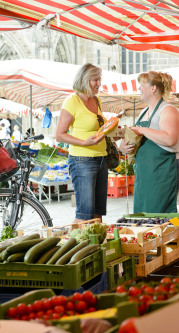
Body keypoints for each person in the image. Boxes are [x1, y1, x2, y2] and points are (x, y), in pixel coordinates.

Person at [119, 71, 179, 213]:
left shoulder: (168, 110)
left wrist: (143, 130)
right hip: (145, 172)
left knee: (160, 213)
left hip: (164, 169)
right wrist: (124, 147)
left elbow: (170, 139)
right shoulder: (144, 112)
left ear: (153, 89)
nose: (139, 88)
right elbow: (138, 138)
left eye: (142, 85)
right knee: (144, 213)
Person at [56, 64, 107, 222]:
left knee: (98, 213)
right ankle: (75, 245)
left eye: (100, 79)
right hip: (82, 160)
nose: (99, 83)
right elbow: (59, 135)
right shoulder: (72, 102)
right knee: (85, 214)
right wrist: (84, 142)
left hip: (101, 158)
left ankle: (98, 245)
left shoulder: (96, 100)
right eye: (95, 80)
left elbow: (98, 128)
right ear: (85, 80)